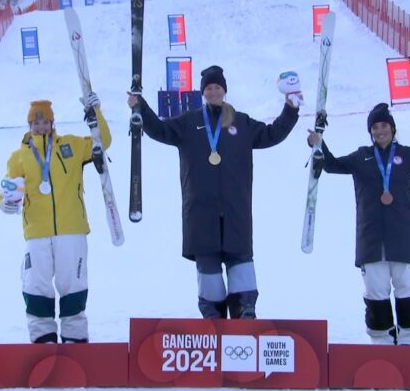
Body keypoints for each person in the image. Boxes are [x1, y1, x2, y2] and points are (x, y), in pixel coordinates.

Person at [127, 65, 300, 319]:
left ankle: (244, 310)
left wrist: (291, 109)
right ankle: (213, 318)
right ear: (203, 92)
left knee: (241, 271)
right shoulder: (189, 122)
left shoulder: (240, 121)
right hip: (200, 213)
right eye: (209, 88)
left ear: (224, 91)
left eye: (217, 87)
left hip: (235, 213)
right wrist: (139, 106)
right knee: (209, 280)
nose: (213, 91)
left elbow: (272, 135)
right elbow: (159, 130)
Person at [307, 103, 410, 345]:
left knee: (407, 291)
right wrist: (319, 142)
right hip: (371, 239)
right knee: (376, 295)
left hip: (402, 237)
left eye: (384, 126)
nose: (380, 131)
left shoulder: (407, 155)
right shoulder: (361, 156)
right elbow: (332, 165)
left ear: (392, 128)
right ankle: (381, 345)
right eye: (375, 127)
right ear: (370, 131)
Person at [0, 94, 110, 343]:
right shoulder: (19, 157)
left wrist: (96, 113)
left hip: (72, 229)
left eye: (45, 121)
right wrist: (3, 201)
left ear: (52, 122)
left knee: (74, 284)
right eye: (35, 123)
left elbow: (103, 141)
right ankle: (42, 339)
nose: (41, 126)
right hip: (37, 231)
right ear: (29, 126)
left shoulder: (71, 146)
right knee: (36, 285)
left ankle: (75, 338)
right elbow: (6, 188)